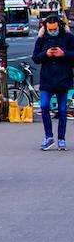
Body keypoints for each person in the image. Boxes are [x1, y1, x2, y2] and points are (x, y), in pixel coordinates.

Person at [30, 14, 74, 151]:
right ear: (45, 28)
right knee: (43, 106)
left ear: (59, 26)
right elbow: (35, 58)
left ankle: (61, 138)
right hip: (47, 78)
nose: (52, 31)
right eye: (50, 29)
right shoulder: (42, 39)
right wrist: (46, 54)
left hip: (63, 78)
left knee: (62, 110)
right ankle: (49, 136)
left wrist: (64, 54)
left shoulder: (68, 38)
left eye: (55, 29)